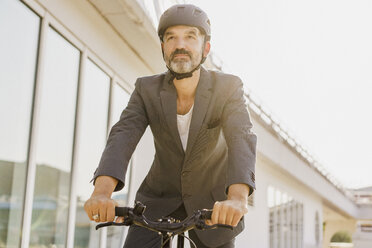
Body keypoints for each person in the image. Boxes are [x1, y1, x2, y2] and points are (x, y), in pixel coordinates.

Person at [84, 4, 257, 248]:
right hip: (157, 202)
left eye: (190, 37)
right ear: (163, 47)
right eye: (171, 38)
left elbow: (241, 136)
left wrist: (237, 198)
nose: (180, 45)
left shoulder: (227, 88)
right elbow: (123, 135)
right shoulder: (146, 90)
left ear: (205, 47)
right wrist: (102, 193)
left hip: (213, 207)